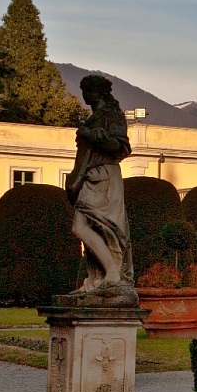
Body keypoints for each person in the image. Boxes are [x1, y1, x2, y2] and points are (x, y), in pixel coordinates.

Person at [66, 74, 135, 298]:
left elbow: (120, 146)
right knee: (91, 228)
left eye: (87, 91)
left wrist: (92, 135)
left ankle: (113, 274)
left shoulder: (113, 115)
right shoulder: (95, 117)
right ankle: (96, 279)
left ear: (99, 93)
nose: (85, 95)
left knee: (88, 227)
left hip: (104, 176)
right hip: (92, 176)